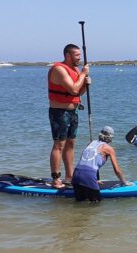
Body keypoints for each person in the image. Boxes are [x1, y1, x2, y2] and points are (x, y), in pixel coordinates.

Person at [48, 44, 90, 188]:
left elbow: (78, 92)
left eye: (80, 55)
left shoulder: (75, 70)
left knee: (71, 143)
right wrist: (83, 74)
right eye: (77, 55)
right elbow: (72, 89)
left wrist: (85, 84)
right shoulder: (59, 69)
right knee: (59, 144)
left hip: (73, 111)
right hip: (59, 112)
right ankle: (55, 179)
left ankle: (69, 177)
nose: (80, 58)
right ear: (68, 55)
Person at [71, 126, 132, 202]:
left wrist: (95, 179)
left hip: (76, 174)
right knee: (95, 205)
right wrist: (124, 182)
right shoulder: (109, 149)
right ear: (110, 138)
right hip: (89, 176)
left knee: (79, 203)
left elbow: (84, 162)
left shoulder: (90, 143)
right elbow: (117, 170)